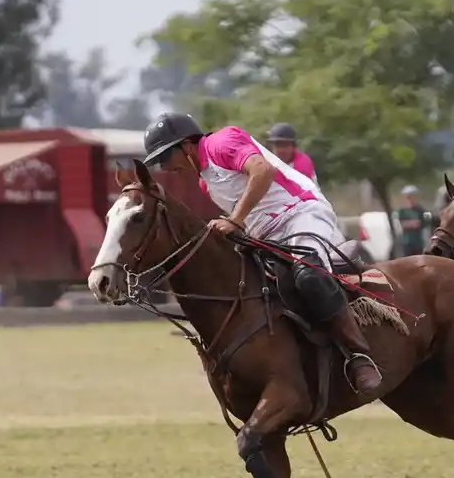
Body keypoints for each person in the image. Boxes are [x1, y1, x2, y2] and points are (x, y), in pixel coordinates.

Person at [140, 112, 381, 396]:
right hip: (266, 234)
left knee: (308, 276)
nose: (164, 167)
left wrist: (235, 220)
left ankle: (359, 356)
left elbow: (263, 171)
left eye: (165, 157)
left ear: (186, 145)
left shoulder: (221, 142)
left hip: (300, 212)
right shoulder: (206, 182)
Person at [392, 185, 433, 257]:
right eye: (409, 197)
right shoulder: (401, 211)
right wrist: (411, 224)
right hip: (406, 242)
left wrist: (419, 223)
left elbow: (427, 222)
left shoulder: (421, 210)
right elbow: (399, 224)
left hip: (419, 242)